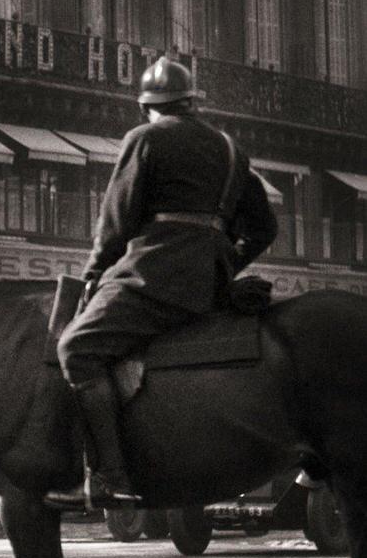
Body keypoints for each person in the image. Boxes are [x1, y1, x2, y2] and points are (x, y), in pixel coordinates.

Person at [50, 57, 279, 510]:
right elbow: (264, 228)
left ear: (146, 107)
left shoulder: (145, 138)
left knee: (76, 349)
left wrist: (94, 276)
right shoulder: (231, 149)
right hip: (210, 283)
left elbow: (117, 221)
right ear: (192, 102)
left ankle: (110, 476)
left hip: (154, 276)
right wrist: (224, 264)